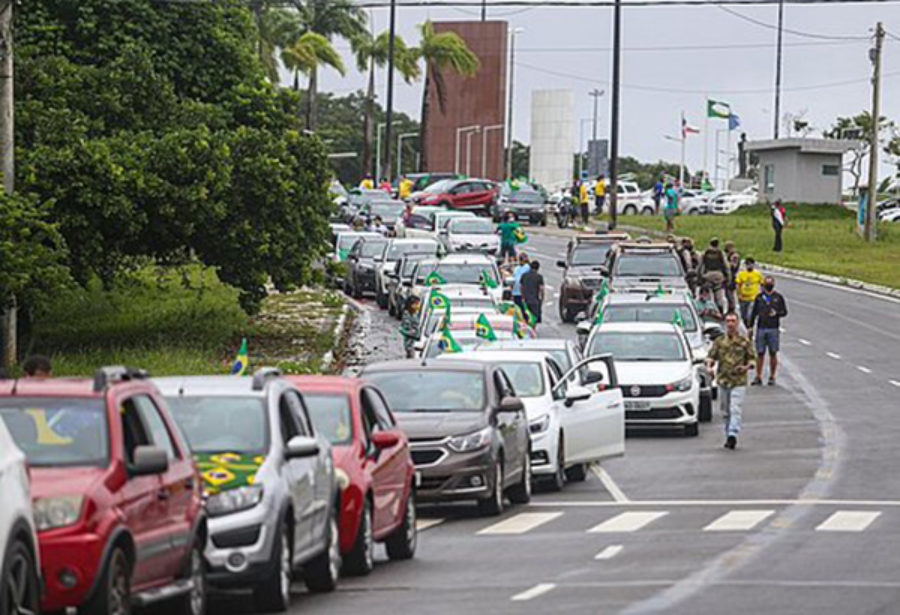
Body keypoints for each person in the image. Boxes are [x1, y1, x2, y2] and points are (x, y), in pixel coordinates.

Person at [707, 311, 756, 450]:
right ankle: (728, 433)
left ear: (738, 323)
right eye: (728, 321)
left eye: (733, 321)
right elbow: (711, 357)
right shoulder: (720, 341)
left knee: (735, 408)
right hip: (723, 380)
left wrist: (746, 367)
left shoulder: (744, 341)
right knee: (726, 411)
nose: (730, 324)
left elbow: (752, 359)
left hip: (738, 380)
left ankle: (732, 434)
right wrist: (709, 367)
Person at [749, 276, 788, 386]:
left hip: (773, 328)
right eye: (767, 283)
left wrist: (777, 313)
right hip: (761, 327)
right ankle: (758, 376)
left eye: (770, 283)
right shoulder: (759, 298)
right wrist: (750, 326)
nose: (768, 285)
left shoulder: (778, 297)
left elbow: (784, 312)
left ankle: (772, 376)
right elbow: (754, 313)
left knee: (773, 352)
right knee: (760, 353)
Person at [698, 238, 730, 311]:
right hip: (719, 275)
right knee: (719, 295)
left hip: (707, 275)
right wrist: (728, 278)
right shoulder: (721, 253)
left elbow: (700, 266)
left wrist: (699, 277)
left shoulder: (705, 253)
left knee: (707, 295)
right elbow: (726, 266)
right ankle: (720, 310)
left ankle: (708, 309)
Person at [734, 258, 764, 326]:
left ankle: (750, 326)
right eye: (748, 264)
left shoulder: (757, 274)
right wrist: (738, 295)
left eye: (751, 264)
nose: (749, 266)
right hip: (743, 298)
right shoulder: (741, 274)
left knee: (749, 314)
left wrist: (762, 294)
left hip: (753, 298)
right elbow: (738, 285)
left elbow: (762, 284)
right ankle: (746, 327)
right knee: (743, 315)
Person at [520, 260, 544, 326]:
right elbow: (541, 290)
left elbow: (521, 287)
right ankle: (532, 330)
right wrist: (541, 300)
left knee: (525, 317)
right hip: (534, 300)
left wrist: (522, 297)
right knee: (534, 318)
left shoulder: (524, 276)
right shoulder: (539, 277)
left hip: (525, 300)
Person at [724, 240, 740, 311]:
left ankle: (731, 309)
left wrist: (726, 263)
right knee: (728, 294)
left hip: (731, 277)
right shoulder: (728, 254)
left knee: (730, 295)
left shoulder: (734, 256)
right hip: (728, 276)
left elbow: (734, 266)